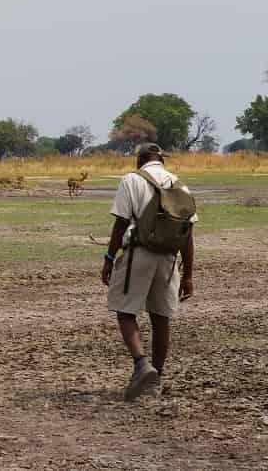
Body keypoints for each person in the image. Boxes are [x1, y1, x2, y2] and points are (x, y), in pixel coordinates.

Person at [101, 143, 197, 400]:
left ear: (140, 160)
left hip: (138, 254)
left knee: (124, 310)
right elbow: (188, 234)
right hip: (169, 258)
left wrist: (109, 258)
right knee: (161, 317)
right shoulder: (179, 184)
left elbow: (121, 222)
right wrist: (188, 274)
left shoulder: (131, 180)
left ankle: (142, 364)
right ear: (160, 159)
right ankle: (157, 377)